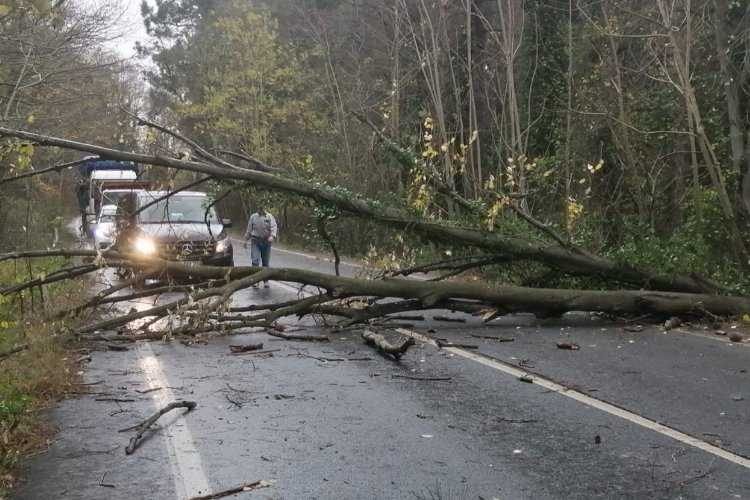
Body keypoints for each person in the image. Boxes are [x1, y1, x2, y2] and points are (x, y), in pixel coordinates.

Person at [243, 205, 278, 287]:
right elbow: (249, 229)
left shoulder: (269, 217)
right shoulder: (253, 217)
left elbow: (274, 227)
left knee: (265, 262)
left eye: (262, 208)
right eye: (259, 208)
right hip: (255, 241)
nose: (260, 209)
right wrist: (245, 240)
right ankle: (255, 280)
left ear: (264, 209)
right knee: (255, 261)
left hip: (266, 242)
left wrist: (272, 236)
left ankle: (266, 280)